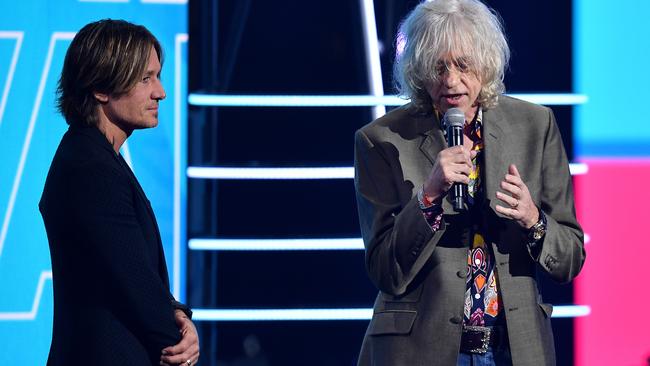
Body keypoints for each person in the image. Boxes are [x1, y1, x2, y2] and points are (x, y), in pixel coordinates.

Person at [353, 1, 585, 365]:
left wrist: (532, 219)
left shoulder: (534, 126)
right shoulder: (381, 141)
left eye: (463, 64)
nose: (450, 80)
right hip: (419, 352)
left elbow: (569, 258)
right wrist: (428, 197)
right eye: (437, 66)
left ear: (486, 63)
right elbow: (385, 270)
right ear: (418, 70)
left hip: (514, 349)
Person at [39, 19, 199, 366]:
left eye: (157, 76)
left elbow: (132, 273)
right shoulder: (89, 168)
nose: (160, 92)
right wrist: (180, 340)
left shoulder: (96, 158)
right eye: (146, 78)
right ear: (100, 88)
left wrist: (177, 315)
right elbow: (134, 283)